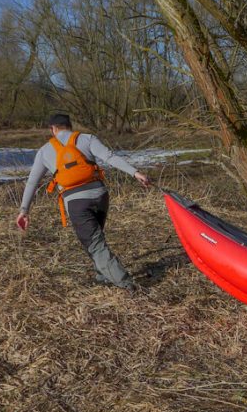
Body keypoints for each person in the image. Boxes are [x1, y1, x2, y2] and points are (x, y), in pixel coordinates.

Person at [15, 114, 151, 290]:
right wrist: (135, 173)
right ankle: (102, 275)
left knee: (94, 243)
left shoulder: (44, 151)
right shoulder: (87, 138)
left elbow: (33, 181)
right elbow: (109, 157)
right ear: (70, 126)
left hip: (76, 202)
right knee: (96, 237)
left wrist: (24, 210)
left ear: (53, 129)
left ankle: (125, 282)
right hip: (100, 196)